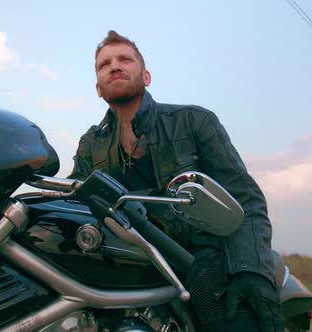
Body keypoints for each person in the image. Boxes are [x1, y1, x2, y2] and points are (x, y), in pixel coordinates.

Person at [69, 30, 284, 331]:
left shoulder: (194, 120)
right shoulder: (91, 143)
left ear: (146, 77)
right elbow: (71, 201)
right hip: (125, 261)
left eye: (125, 60)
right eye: (104, 65)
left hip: (198, 256)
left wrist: (250, 270)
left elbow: (244, 198)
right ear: (97, 88)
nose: (114, 66)